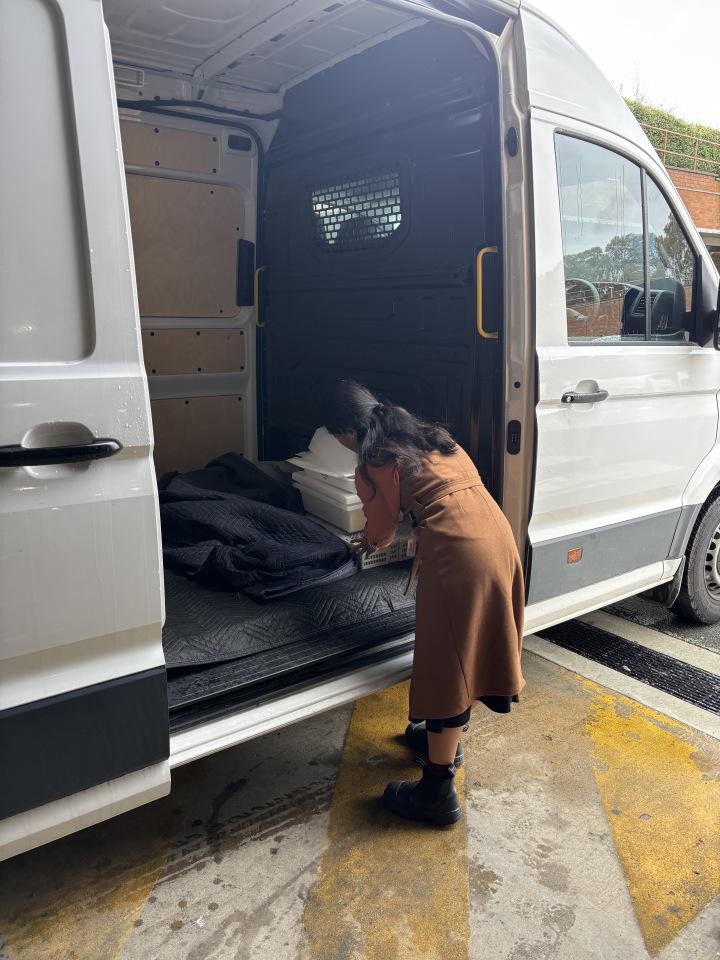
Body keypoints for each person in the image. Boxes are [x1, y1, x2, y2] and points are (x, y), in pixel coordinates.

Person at [326, 381, 525, 826]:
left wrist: (360, 545)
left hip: (460, 554)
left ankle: (437, 791)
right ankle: (443, 739)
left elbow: (379, 530)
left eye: (336, 438)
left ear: (345, 431)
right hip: (496, 536)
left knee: (446, 664)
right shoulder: (433, 438)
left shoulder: (374, 460)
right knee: (471, 649)